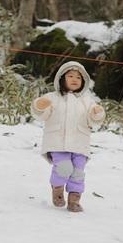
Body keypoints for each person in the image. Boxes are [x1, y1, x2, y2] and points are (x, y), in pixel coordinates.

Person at [31, 61, 105, 212]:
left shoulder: (87, 101)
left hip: (80, 143)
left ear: (83, 82)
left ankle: (74, 200)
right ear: (62, 79)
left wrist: (97, 113)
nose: (74, 79)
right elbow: (42, 114)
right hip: (58, 142)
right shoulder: (53, 97)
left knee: (78, 172)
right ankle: (57, 188)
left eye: (78, 77)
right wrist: (40, 106)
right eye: (70, 76)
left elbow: (94, 120)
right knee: (64, 168)